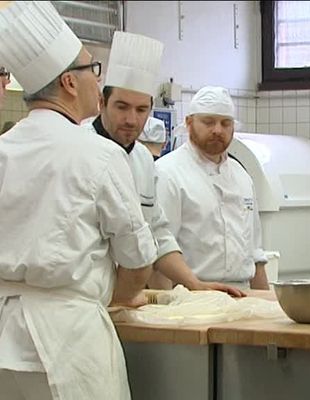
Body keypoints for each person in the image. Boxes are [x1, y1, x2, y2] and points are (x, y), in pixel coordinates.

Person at [0, 2, 158, 398]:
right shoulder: (98, 154)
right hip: (67, 339)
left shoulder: (3, 149)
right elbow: (137, 262)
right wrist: (115, 295)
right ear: (70, 82)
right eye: (93, 69)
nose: (96, 81)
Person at [87, 32, 243, 297]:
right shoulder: (79, 150)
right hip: (85, 295)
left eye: (140, 110)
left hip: (125, 295)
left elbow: (157, 231)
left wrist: (195, 285)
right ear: (102, 103)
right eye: (122, 107)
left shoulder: (143, 160)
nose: (131, 120)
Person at [155, 86, 269, 290]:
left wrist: (267, 306)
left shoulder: (242, 176)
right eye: (208, 122)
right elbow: (160, 249)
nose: (218, 130)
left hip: (242, 294)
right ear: (189, 123)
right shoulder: (167, 173)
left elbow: (256, 253)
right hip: (191, 295)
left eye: (225, 123)